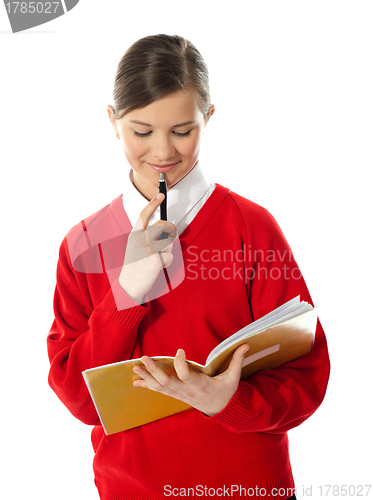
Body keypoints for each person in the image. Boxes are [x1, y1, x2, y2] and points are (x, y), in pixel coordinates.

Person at [47, 34, 330, 500]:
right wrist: (126, 294)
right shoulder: (82, 243)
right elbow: (80, 400)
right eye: (142, 132)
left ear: (209, 118)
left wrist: (231, 403)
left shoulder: (251, 228)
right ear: (112, 122)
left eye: (182, 131)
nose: (162, 151)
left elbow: (309, 375)